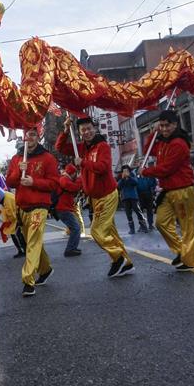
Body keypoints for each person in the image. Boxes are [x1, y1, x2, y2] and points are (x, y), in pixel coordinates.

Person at [57, 116, 131, 277]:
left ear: (94, 128)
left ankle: (118, 258)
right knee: (111, 233)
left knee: (97, 232)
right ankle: (126, 262)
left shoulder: (102, 146)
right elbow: (60, 147)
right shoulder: (82, 147)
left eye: (89, 128)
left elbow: (103, 168)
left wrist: (82, 162)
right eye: (83, 130)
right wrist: (65, 130)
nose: (87, 132)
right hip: (95, 198)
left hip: (107, 194)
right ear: (79, 132)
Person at [140, 111, 194, 271]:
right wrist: (153, 133)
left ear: (175, 124)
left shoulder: (179, 143)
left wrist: (147, 171)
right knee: (161, 223)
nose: (165, 128)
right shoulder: (162, 141)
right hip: (168, 190)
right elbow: (148, 151)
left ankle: (192, 260)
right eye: (162, 125)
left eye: (168, 125)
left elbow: (167, 168)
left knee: (187, 226)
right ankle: (182, 251)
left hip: (182, 189)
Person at [7, 126, 59, 296]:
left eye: (33, 134)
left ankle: (28, 280)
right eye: (27, 135)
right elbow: (10, 182)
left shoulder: (48, 158)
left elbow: (54, 183)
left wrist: (34, 182)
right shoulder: (16, 158)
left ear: (38, 136)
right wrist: (17, 170)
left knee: (33, 241)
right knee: (33, 242)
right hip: (22, 207)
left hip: (40, 206)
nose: (30, 138)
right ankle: (45, 269)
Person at [0, 186, 24, 257]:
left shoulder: (8, 198)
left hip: (17, 218)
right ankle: (20, 250)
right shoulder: (0, 200)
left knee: (19, 234)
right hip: (11, 220)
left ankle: (25, 250)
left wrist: (7, 222)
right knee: (14, 235)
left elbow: (12, 214)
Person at [56, 163, 83, 256]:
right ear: (72, 173)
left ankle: (72, 248)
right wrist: (80, 178)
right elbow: (75, 187)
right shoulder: (64, 179)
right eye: (75, 174)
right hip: (63, 208)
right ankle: (70, 249)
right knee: (76, 228)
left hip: (64, 208)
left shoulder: (64, 178)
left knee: (74, 228)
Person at [117, 165, 147, 234]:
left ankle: (144, 227)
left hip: (133, 196)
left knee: (138, 211)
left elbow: (136, 182)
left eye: (127, 171)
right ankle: (132, 229)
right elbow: (118, 186)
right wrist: (122, 179)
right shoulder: (121, 178)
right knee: (128, 213)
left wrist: (129, 177)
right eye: (124, 171)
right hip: (125, 198)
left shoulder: (132, 175)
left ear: (129, 171)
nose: (125, 172)